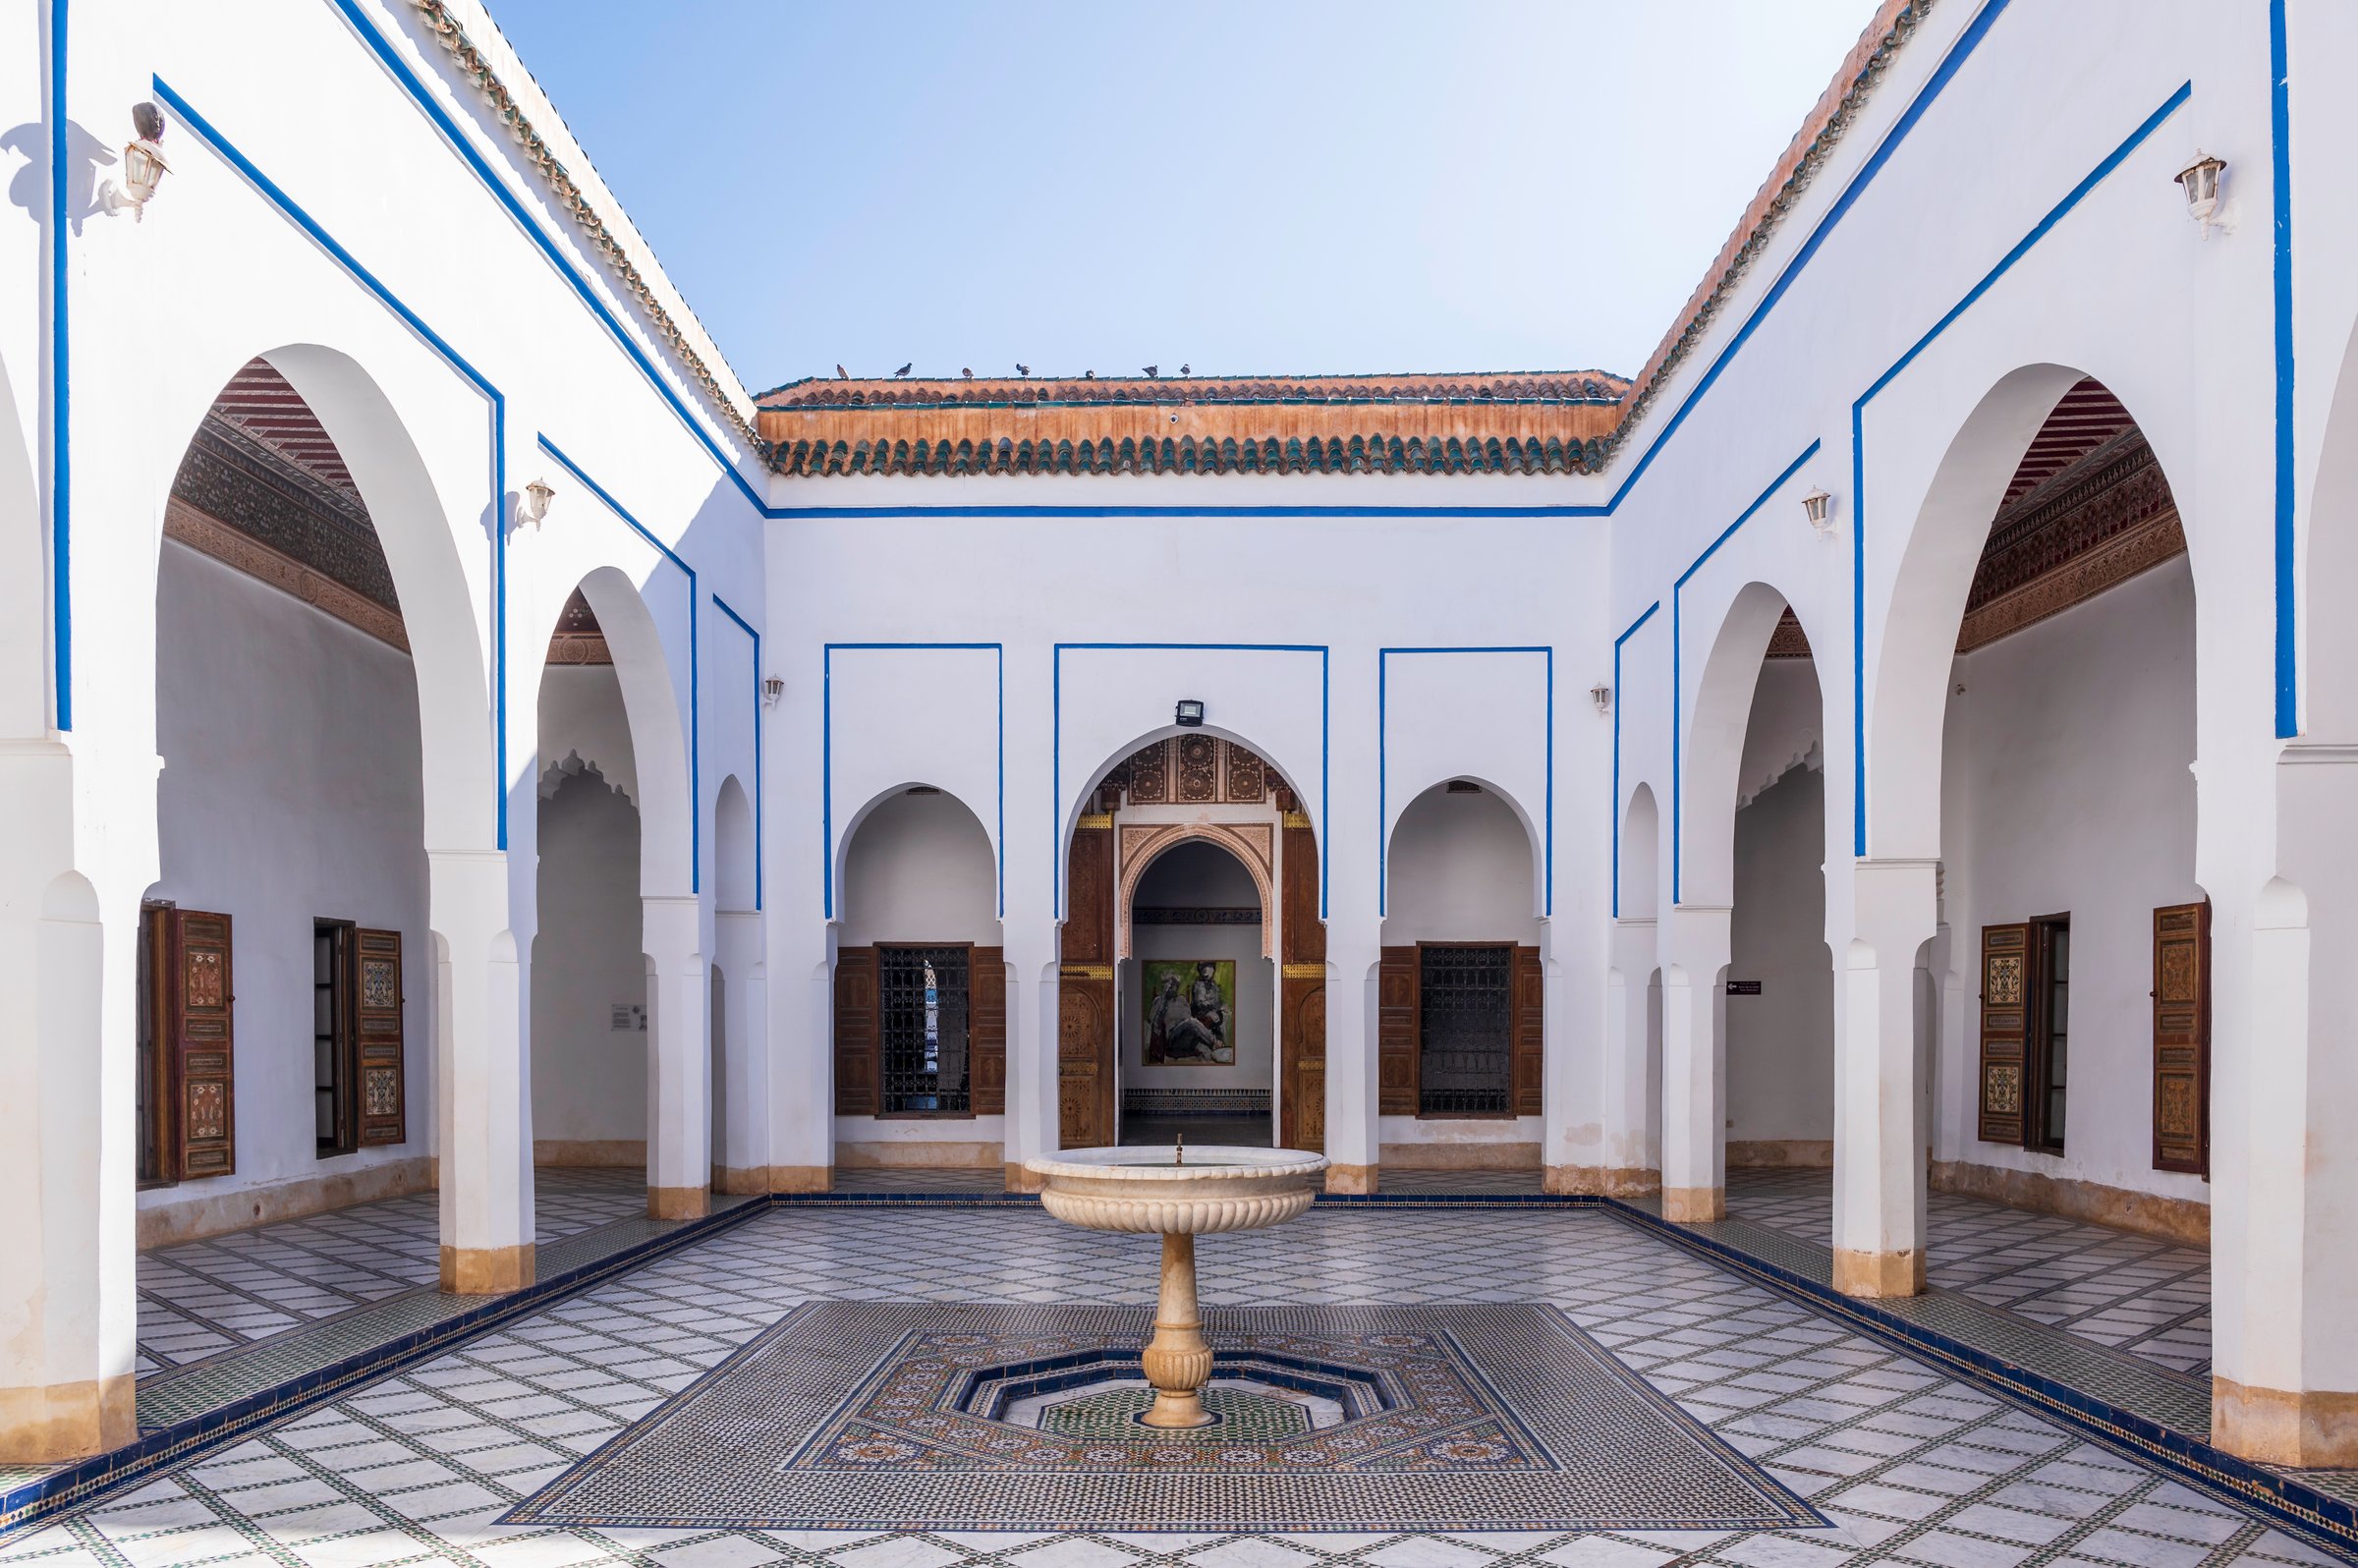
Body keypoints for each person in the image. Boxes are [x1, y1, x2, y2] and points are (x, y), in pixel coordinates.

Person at [1150, 971, 1225, 1062]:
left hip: (1184, 1038)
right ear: (1163, 985)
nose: (1171, 986)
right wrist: (1164, 1002)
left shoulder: (1182, 1000)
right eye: (1168, 983)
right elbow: (1152, 1022)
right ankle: (1215, 1042)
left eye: (1174, 984)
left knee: (1204, 1050)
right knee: (1191, 1022)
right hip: (1169, 1040)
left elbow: (1189, 1021)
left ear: (1177, 986)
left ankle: (1218, 1056)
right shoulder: (1158, 1001)